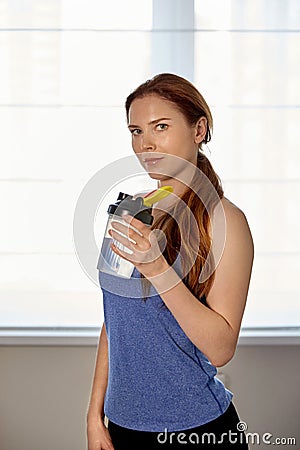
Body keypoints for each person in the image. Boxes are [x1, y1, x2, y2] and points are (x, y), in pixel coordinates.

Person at [87, 73, 254, 449]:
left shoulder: (226, 222)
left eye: (160, 127)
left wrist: (159, 269)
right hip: (122, 428)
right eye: (136, 131)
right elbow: (114, 320)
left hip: (197, 429)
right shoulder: (130, 210)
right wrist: (94, 415)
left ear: (199, 130)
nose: (146, 144)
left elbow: (221, 349)